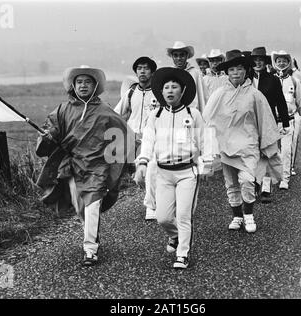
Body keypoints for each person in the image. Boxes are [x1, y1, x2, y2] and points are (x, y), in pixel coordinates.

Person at [36, 66, 134, 266]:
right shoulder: (63, 110)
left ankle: (90, 249)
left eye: (87, 82)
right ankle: (92, 233)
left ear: (95, 85)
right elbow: (52, 130)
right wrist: (49, 135)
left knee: (92, 205)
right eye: (79, 82)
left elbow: (126, 134)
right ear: (73, 85)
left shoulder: (105, 111)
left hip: (97, 168)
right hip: (71, 166)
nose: (83, 85)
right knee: (80, 206)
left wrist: (134, 161)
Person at [134, 67, 214, 269]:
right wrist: (142, 163)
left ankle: (183, 254)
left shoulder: (192, 113)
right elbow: (148, 140)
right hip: (163, 174)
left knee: (184, 216)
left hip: (187, 173)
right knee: (163, 217)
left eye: (174, 87)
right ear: (161, 92)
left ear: (182, 90)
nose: (170, 91)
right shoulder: (156, 115)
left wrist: (207, 163)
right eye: (166, 87)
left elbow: (205, 139)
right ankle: (174, 235)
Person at [203, 50, 281, 233]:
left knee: (247, 180)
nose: (236, 73)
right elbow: (207, 119)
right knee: (231, 183)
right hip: (225, 146)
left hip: (248, 145)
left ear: (246, 71)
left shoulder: (255, 95)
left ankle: (248, 214)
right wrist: (207, 145)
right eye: (231, 69)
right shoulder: (219, 94)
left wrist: (266, 145)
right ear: (227, 73)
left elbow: (265, 120)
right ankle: (236, 215)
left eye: (239, 69)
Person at [114, 56, 159, 220]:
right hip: (132, 139)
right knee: (140, 176)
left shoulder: (159, 92)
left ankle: (151, 206)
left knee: (148, 170)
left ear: (152, 72)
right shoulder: (131, 92)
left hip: (152, 139)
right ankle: (155, 197)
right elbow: (118, 113)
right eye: (139, 68)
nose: (142, 71)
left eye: (146, 68)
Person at [249, 46, 290, 203]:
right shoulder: (247, 80)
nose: (258, 63)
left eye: (261, 60)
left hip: (269, 122)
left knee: (267, 154)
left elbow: (280, 101)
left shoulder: (273, 79)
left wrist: (285, 123)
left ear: (265, 62)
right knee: (252, 154)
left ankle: (266, 188)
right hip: (250, 123)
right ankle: (254, 182)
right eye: (255, 60)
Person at [271, 50, 301, 189]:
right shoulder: (270, 79)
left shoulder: (295, 80)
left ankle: (284, 178)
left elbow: (300, 102)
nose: (281, 63)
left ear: (289, 63)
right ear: (274, 63)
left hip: (289, 120)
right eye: (278, 61)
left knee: (286, 150)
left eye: (284, 61)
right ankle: (271, 178)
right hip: (272, 121)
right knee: (273, 151)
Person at [167, 41, 208, 113]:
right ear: (172, 57)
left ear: (187, 56)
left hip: (192, 112)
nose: (179, 58)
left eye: (182, 55)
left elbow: (202, 96)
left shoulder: (195, 73)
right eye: (175, 55)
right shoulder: (169, 73)